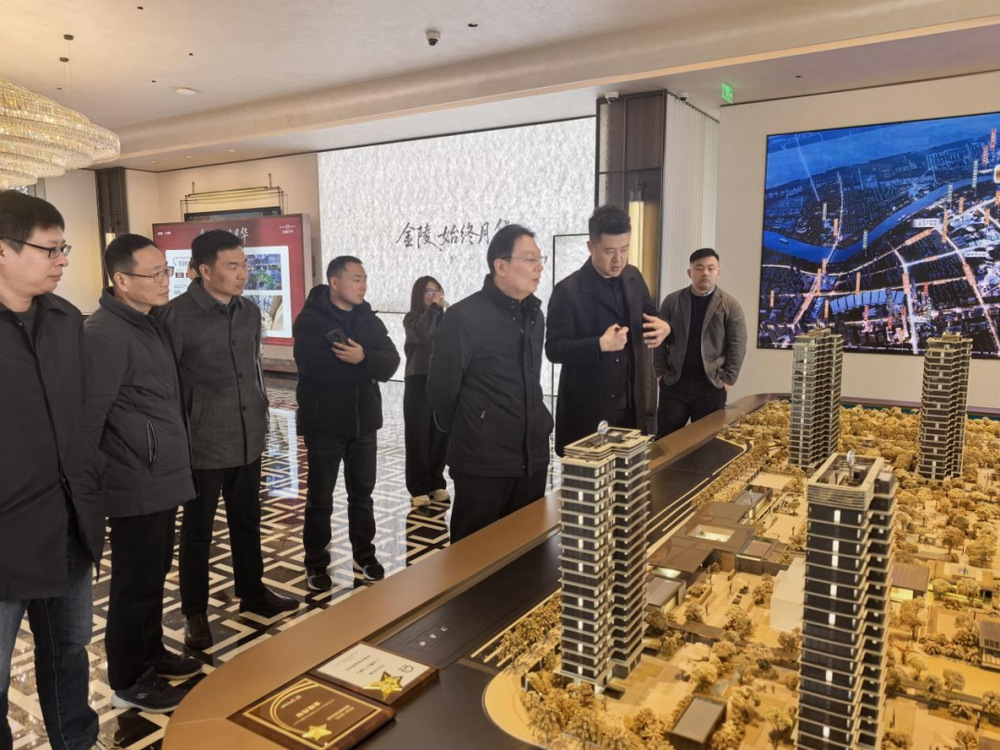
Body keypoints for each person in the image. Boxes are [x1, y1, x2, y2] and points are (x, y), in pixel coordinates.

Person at [0, 190, 103, 749]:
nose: (63, 260)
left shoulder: (65, 321)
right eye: (50, 249)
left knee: (69, 654)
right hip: (6, 536)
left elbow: (79, 417)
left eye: (65, 248)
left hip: (68, 526)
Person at [83, 234, 202, 713]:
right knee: (134, 581)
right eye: (152, 274)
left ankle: (151, 652)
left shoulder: (148, 321)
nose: (164, 281)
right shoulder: (103, 334)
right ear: (120, 280)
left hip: (160, 472)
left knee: (154, 572)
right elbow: (90, 419)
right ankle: (129, 677)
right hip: (134, 477)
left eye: (165, 271)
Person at [167, 229, 297, 651]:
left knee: (247, 520)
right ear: (205, 271)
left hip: (247, 436)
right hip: (201, 442)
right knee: (198, 532)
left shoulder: (248, 311)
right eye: (233, 266)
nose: (243, 274)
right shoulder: (176, 316)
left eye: (245, 265)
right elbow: (168, 384)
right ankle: (195, 612)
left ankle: (253, 592)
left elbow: (253, 368)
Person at [427, 224, 553, 543]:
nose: (539, 268)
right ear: (501, 266)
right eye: (530, 259)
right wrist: (475, 428)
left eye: (540, 259)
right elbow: (441, 390)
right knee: (475, 554)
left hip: (531, 456)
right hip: (482, 462)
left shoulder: (535, 315)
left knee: (526, 551)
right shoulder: (464, 317)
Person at [293, 256, 399, 588]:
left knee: (362, 495)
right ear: (335, 282)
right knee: (320, 499)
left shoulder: (368, 319)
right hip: (324, 423)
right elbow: (316, 368)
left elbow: (391, 363)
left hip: (364, 424)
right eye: (356, 279)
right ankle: (316, 562)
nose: (363, 285)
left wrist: (363, 357)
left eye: (364, 279)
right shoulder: (311, 320)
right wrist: (365, 368)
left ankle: (364, 555)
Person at [546, 205, 670, 454]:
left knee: (632, 475)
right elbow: (554, 349)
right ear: (591, 247)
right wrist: (599, 345)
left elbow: (650, 314)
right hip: (589, 410)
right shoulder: (568, 290)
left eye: (624, 249)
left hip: (632, 404)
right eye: (610, 251)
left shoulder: (633, 277)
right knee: (590, 477)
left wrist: (664, 327)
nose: (619, 260)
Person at [654, 248, 747, 437]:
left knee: (706, 442)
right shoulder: (672, 301)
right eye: (699, 268)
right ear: (690, 273)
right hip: (674, 384)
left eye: (711, 268)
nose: (705, 273)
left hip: (711, 385)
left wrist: (728, 380)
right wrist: (660, 374)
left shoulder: (730, 305)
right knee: (665, 441)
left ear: (718, 272)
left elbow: (738, 345)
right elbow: (658, 339)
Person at [402, 277, 450, 508]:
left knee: (440, 434)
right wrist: (433, 310)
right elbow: (422, 335)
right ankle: (418, 488)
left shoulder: (445, 318)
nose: (434, 295)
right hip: (418, 380)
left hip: (441, 380)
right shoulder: (412, 319)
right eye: (429, 291)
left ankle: (436, 482)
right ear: (419, 295)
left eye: (437, 290)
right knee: (418, 435)